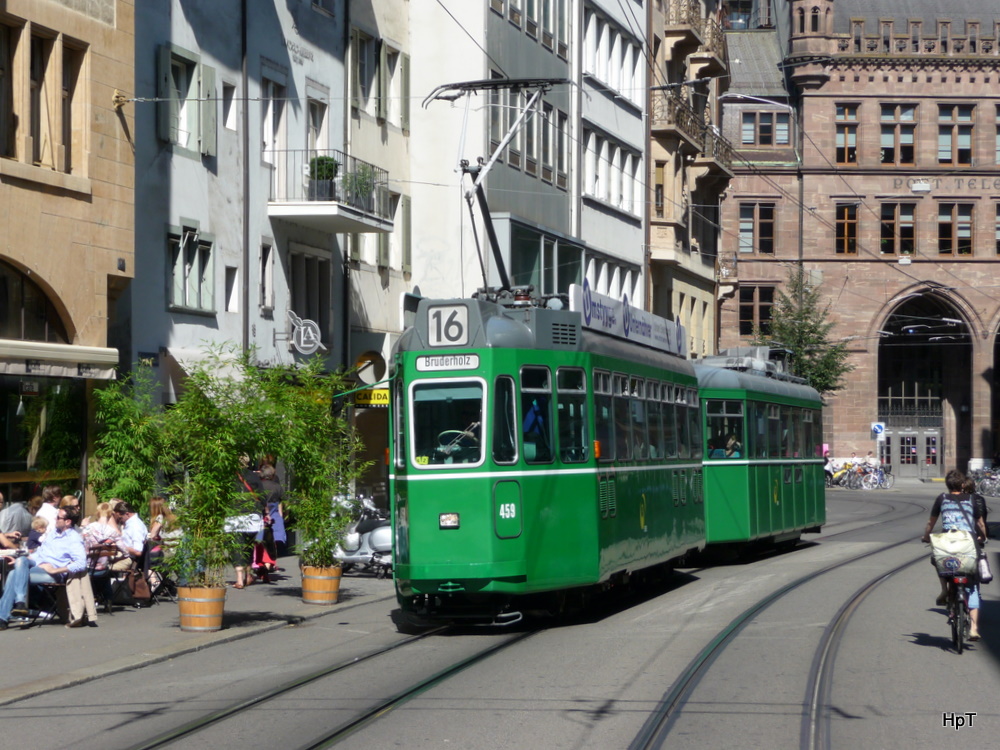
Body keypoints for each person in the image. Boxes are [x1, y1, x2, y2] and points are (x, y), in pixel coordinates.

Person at [922, 469, 988, 640]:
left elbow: (931, 522)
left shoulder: (942, 498)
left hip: (948, 543)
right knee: (973, 585)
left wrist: (926, 536)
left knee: (939, 560)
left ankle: (945, 589)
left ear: (947, 485)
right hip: (968, 543)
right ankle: (974, 628)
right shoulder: (971, 499)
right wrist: (983, 536)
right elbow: (980, 523)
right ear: (963, 484)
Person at [0, 506, 87, 630]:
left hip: (52, 573)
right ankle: (19, 604)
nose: (55, 519)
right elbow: (39, 554)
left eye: (58, 517)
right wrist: (20, 562)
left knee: (14, 574)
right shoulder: (53, 533)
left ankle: (4, 616)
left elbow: (81, 563)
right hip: (38, 565)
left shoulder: (73, 538)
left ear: (68, 521)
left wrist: (56, 570)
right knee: (20, 560)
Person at [111, 501, 148, 571]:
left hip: (129, 559)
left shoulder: (135, 526)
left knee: (103, 568)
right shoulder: (130, 524)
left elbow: (138, 551)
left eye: (120, 518)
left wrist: (119, 546)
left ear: (127, 514)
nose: (120, 521)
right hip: (124, 555)